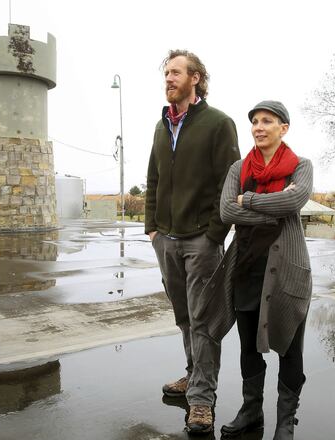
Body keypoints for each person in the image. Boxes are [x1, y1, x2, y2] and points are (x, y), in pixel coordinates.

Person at [144, 49, 240, 434]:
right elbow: (152, 179)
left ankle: (202, 399)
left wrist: (214, 234)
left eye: (175, 72)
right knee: (184, 316)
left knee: (203, 320)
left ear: (195, 78)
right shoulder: (161, 125)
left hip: (201, 241)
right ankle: (192, 376)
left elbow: (228, 185)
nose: (168, 78)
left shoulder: (218, 124)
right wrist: (152, 228)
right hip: (166, 239)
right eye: (166, 72)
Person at [206, 100, 313, 439]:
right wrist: (272, 210)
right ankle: (251, 410)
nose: (259, 127)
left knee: (290, 346)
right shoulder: (239, 169)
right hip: (248, 267)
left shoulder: (301, 166)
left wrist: (248, 200)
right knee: (248, 346)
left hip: (288, 271)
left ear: (283, 128)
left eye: (267, 121)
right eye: (254, 121)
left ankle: (285, 421)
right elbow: (226, 211)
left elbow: (294, 202)